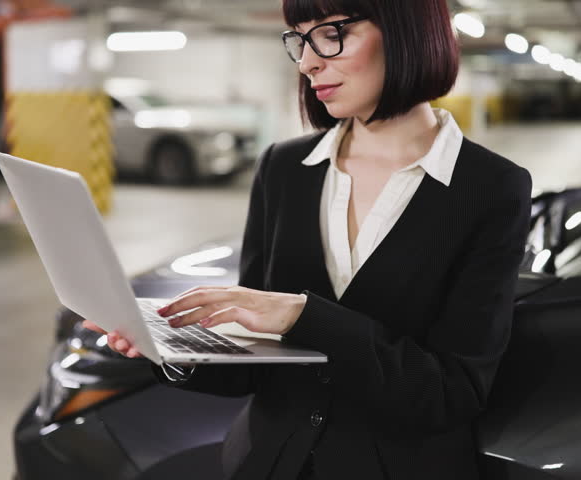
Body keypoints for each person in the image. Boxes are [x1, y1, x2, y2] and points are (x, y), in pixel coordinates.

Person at [84, 0, 532, 478]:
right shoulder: (283, 169)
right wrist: (170, 349)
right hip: (269, 461)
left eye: (331, 33)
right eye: (300, 37)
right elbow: (256, 367)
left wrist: (305, 317)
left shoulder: (490, 188)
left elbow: (450, 393)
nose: (307, 62)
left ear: (408, 32)